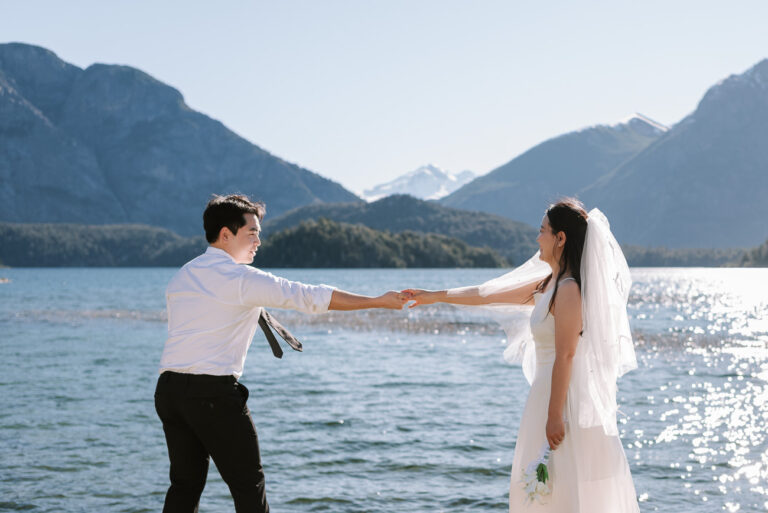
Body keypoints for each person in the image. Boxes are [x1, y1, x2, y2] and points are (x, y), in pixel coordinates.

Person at [154, 194, 407, 513]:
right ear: (225, 235)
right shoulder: (240, 278)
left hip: (169, 392)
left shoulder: (182, 276)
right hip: (212, 394)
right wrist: (378, 301)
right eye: (252, 233)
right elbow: (307, 296)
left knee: (185, 485)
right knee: (248, 485)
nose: (259, 240)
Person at [403, 198, 640, 512]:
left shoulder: (569, 289)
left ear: (560, 238)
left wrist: (555, 415)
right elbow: (485, 294)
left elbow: (566, 354)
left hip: (562, 401)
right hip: (543, 396)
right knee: (537, 488)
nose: (537, 238)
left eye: (542, 231)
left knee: (563, 487)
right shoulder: (546, 285)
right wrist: (432, 296)